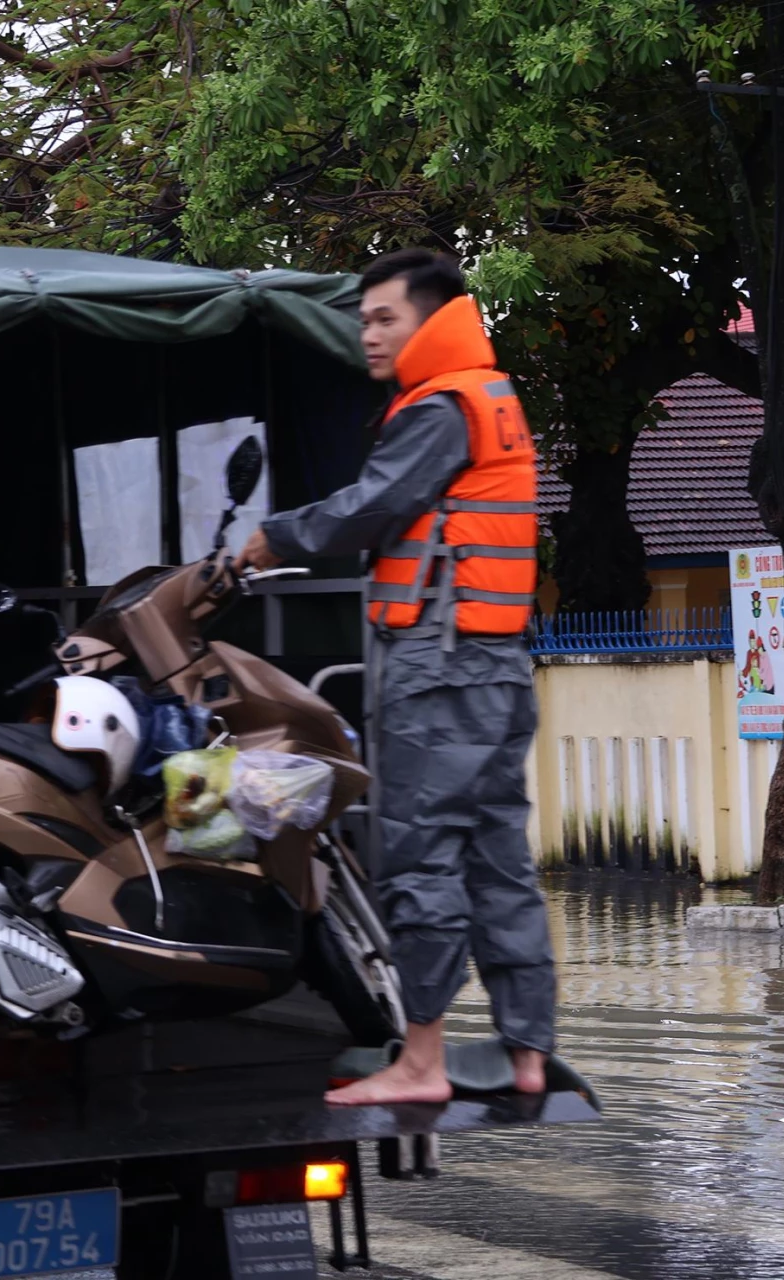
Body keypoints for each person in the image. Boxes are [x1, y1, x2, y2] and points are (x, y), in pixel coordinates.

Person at [238, 248, 555, 1105]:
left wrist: (278, 536)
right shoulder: (490, 398)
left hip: (439, 666)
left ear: (433, 320)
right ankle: (526, 1049)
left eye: (384, 318)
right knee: (497, 860)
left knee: (421, 856)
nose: (368, 334)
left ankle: (421, 1061)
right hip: (491, 665)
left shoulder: (443, 406)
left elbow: (372, 506)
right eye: (364, 318)